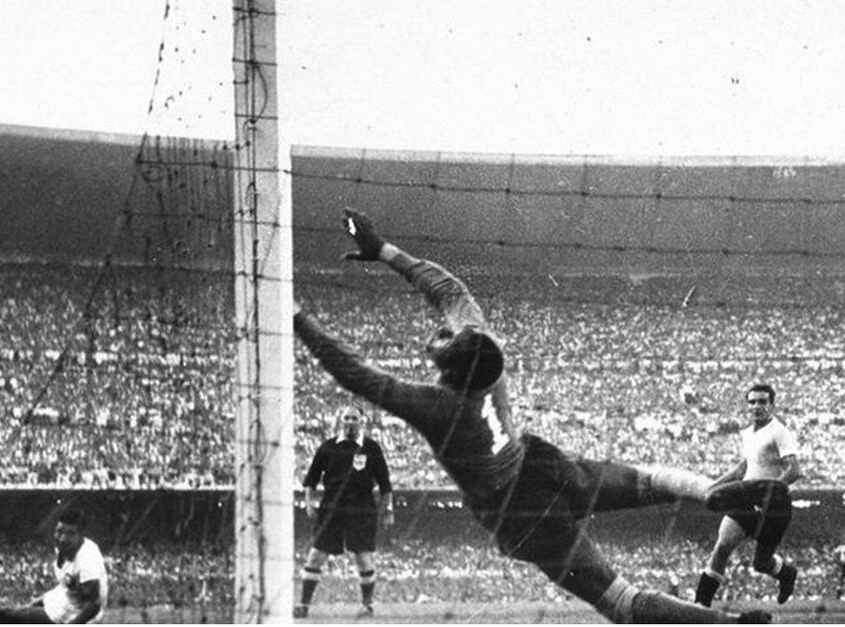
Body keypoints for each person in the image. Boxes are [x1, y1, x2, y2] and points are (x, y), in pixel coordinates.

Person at [292, 208, 785, 624]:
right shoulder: (487, 350)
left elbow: (354, 372)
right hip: (545, 465)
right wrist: (386, 252)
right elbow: (448, 290)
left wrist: (294, 316)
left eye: (442, 342)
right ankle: (711, 492)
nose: (440, 337)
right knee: (653, 480)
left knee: (618, 600)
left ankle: (725, 625)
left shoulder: (438, 407)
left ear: (450, 365)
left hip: (519, 513)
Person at [694, 384, 801, 607]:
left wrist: (770, 494)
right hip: (747, 500)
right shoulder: (748, 433)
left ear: (772, 404)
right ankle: (700, 605)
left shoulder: (779, 432)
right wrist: (714, 486)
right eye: (752, 402)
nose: (756, 406)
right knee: (722, 546)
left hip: (774, 507)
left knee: (761, 563)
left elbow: (794, 470)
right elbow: (743, 468)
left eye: (762, 401)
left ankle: (786, 573)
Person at [294, 404, 394, 618]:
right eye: (346, 418)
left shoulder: (371, 448)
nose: (350, 422)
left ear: (362, 421)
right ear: (341, 420)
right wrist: (309, 503)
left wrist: (388, 510)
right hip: (332, 506)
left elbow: (385, 484)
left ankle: (367, 606)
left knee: (362, 556)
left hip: (361, 507)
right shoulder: (328, 447)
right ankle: (303, 605)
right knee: (316, 555)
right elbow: (310, 480)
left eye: (354, 418)